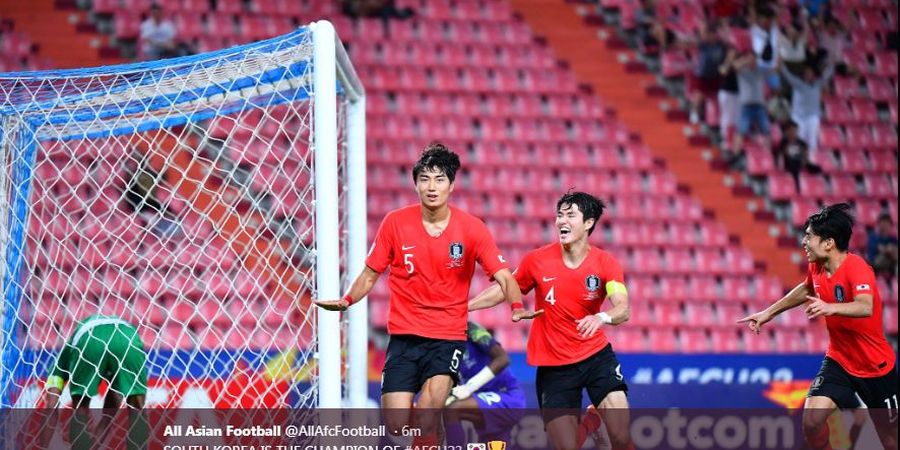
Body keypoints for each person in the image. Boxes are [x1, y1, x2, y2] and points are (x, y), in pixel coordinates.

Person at [314, 143, 532, 446]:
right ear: (415, 183)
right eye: (425, 178)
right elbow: (370, 273)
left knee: (430, 410)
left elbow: (504, 276)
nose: (432, 186)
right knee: (397, 423)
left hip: (447, 337)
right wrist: (346, 300)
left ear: (452, 185)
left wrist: (517, 305)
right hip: (404, 337)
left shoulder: (472, 229)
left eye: (440, 179)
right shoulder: (395, 222)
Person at [469, 191, 634, 450]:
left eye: (570, 215)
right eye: (559, 215)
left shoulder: (606, 263)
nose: (561, 221)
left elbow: (623, 308)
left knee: (621, 436)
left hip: (596, 358)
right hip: (554, 367)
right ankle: (591, 422)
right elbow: (505, 288)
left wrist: (601, 316)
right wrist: (465, 306)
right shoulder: (537, 260)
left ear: (589, 223)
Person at [739, 203, 898, 450]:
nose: (804, 242)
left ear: (828, 243)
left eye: (809, 236)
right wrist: (768, 313)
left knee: (890, 440)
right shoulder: (817, 266)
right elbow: (806, 288)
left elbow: (865, 305)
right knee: (812, 423)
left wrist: (830, 307)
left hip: (875, 367)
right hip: (839, 360)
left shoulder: (857, 269)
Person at [34, 314, 148, 449]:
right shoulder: (64, 360)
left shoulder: (58, 367)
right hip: (127, 338)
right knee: (137, 409)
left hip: (89, 339)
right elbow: (108, 417)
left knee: (81, 408)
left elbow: (50, 408)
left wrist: (43, 447)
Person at [444, 321, 526, 444]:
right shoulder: (439, 345)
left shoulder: (471, 329)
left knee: (452, 410)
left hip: (507, 395)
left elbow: (503, 359)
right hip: (480, 399)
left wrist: (468, 388)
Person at [779, 60, 834, 153]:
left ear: (813, 75)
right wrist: (781, 65)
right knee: (799, 139)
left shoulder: (817, 84)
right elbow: (788, 76)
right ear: (803, 74)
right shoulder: (798, 83)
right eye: (806, 73)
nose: (808, 75)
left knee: (812, 140)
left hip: (812, 116)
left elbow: (826, 76)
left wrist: (832, 64)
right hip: (798, 117)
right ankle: (797, 159)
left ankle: (811, 159)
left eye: (810, 73)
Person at [730, 51, 772, 169]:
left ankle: (767, 155)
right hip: (746, 106)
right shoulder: (742, 71)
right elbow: (734, 66)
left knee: (766, 131)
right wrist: (746, 60)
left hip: (759, 106)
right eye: (750, 58)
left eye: (753, 58)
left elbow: (774, 68)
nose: (752, 60)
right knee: (741, 130)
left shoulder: (761, 71)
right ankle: (735, 155)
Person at [772, 121, 822, 191]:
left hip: (800, 161)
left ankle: (817, 188)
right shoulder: (784, 142)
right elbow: (786, 153)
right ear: (787, 131)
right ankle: (797, 189)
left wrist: (804, 159)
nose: (793, 132)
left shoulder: (801, 142)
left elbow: (805, 154)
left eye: (795, 130)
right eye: (791, 130)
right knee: (794, 165)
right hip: (789, 163)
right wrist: (796, 151)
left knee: (817, 168)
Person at [866, 213, 898, 279]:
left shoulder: (892, 239)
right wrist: (888, 249)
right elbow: (879, 248)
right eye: (883, 222)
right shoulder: (873, 237)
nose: (885, 225)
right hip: (875, 263)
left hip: (891, 263)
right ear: (879, 224)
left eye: (887, 223)